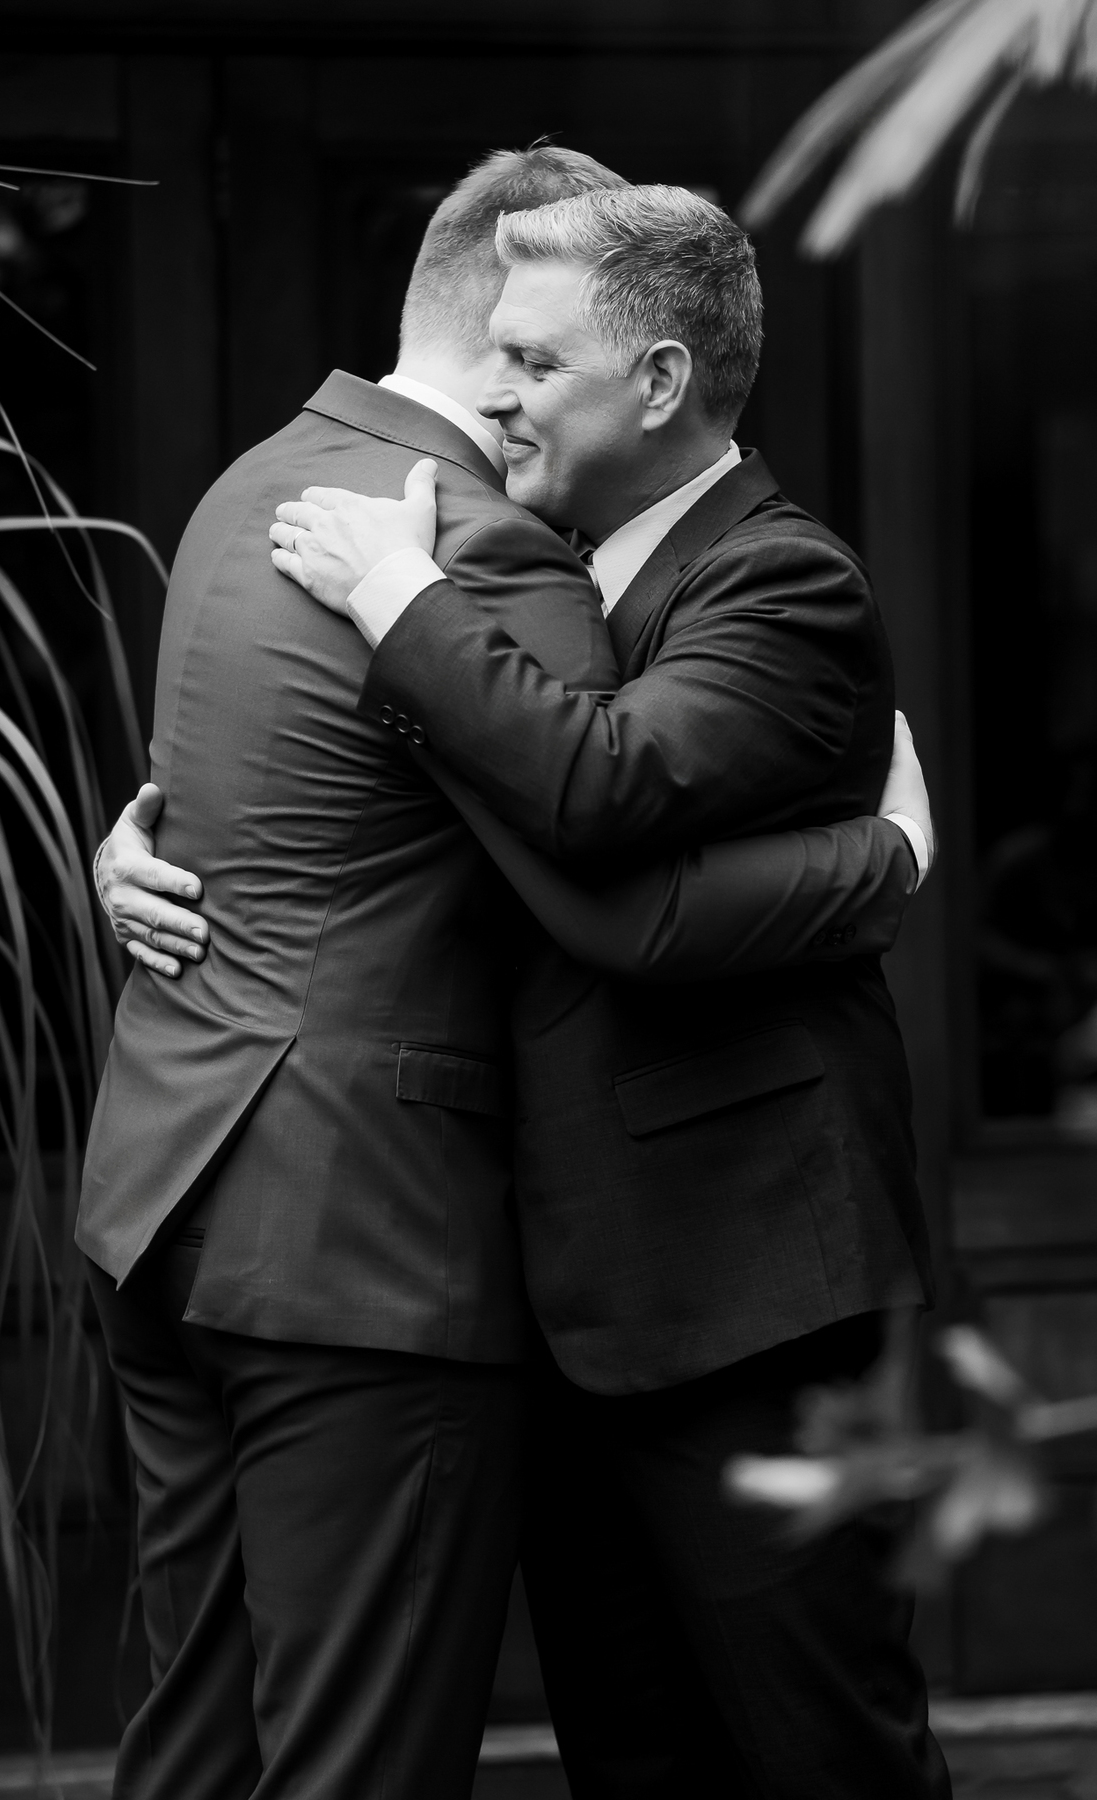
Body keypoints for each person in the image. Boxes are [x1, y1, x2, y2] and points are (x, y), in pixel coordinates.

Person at [270, 183, 951, 1798]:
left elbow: (598, 796)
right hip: (575, 1322)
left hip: (753, 1310)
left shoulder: (784, 584)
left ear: (657, 381)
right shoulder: (544, 576)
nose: (493, 392)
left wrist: (395, 599)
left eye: (532, 362)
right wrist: (144, 848)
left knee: (829, 1765)